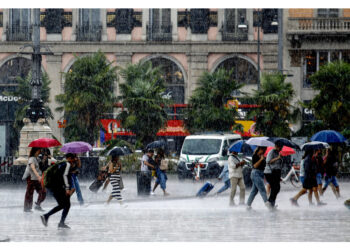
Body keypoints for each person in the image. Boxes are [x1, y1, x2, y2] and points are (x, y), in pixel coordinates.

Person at [40, 153, 77, 229]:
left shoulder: (61, 163)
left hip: (54, 186)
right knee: (64, 204)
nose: (75, 160)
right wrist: (67, 188)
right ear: (69, 158)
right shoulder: (67, 164)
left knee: (65, 204)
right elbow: (64, 176)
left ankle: (57, 221)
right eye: (74, 158)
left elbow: (62, 174)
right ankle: (47, 216)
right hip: (58, 187)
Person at [23, 147, 46, 212]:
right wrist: (38, 176)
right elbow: (33, 168)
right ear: (36, 151)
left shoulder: (37, 158)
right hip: (31, 178)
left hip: (36, 178)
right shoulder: (31, 159)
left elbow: (40, 166)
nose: (41, 151)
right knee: (30, 192)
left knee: (42, 191)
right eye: (40, 150)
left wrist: (44, 159)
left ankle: (38, 205)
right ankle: (27, 208)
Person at [264, 141, 283, 209]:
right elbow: (268, 161)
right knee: (275, 187)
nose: (281, 149)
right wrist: (278, 158)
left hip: (276, 172)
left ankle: (272, 203)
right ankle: (269, 202)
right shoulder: (271, 152)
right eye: (280, 147)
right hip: (270, 172)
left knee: (277, 188)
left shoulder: (278, 153)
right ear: (277, 146)